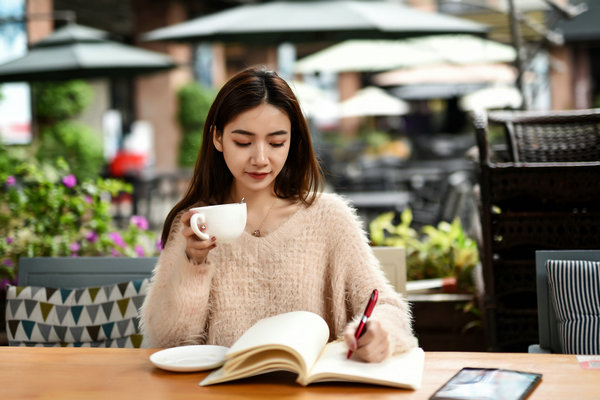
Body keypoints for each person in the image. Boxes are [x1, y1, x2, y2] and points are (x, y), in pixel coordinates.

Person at [140, 66, 417, 362]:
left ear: (293, 142)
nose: (260, 158)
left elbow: (388, 307)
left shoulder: (329, 218)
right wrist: (193, 263)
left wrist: (379, 332)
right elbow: (168, 343)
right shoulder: (195, 223)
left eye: (276, 143)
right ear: (217, 138)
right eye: (243, 142)